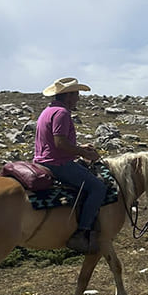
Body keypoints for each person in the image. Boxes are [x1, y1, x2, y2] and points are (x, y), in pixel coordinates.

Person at [34, 77, 106, 254]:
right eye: (76, 95)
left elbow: (56, 142)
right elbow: (59, 143)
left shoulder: (48, 111)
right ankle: (81, 233)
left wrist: (79, 148)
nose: (78, 99)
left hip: (43, 160)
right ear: (68, 96)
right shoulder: (62, 113)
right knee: (98, 187)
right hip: (57, 164)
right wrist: (84, 153)